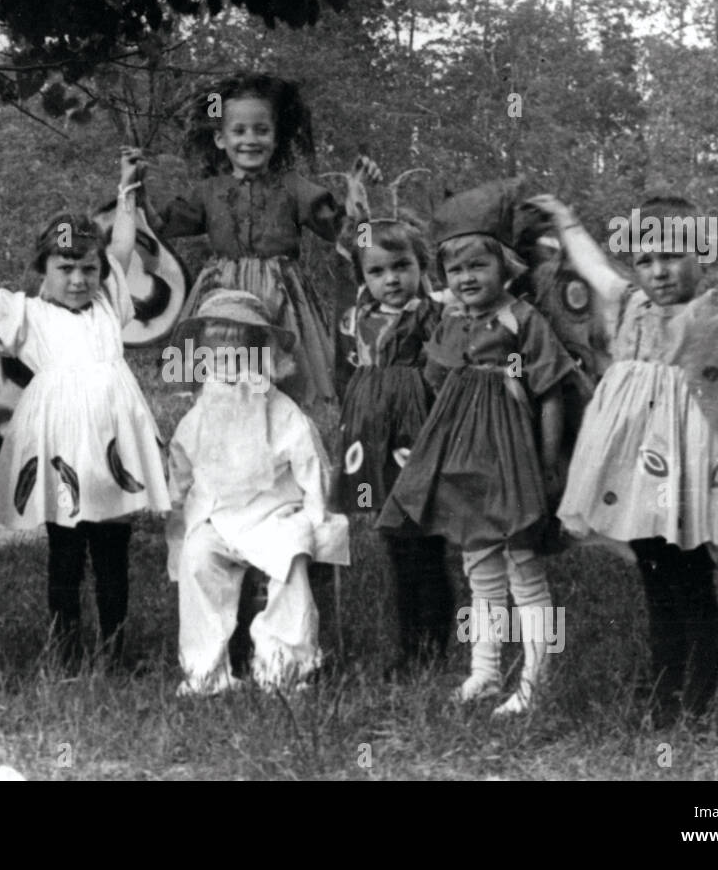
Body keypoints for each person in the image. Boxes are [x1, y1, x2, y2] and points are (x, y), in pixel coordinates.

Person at [533, 192, 718, 726]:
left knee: (690, 579)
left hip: (689, 472)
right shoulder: (627, 303)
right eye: (645, 259)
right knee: (654, 578)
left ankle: (696, 702)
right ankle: (665, 688)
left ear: (701, 256)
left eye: (672, 255)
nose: (659, 271)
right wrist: (564, 219)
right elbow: (594, 265)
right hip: (633, 469)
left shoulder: (716, 311)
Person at [0, 149, 170, 671]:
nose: (78, 279)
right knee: (66, 552)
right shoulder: (27, 315)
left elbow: (124, 246)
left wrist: (126, 189)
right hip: (62, 446)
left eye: (88, 269)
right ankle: (65, 652)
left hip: (112, 446)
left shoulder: (110, 306)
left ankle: (115, 650)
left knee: (113, 552)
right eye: (65, 268)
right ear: (42, 268)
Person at [379, 181, 575, 715]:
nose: (466, 279)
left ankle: (538, 680)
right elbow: (439, 379)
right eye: (455, 270)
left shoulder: (522, 320)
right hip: (463, 461)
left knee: (523, 567)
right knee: (479, 570)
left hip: (512, 462)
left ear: (505, 266)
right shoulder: (449, 323)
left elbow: (551, 390)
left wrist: (548, 461)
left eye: (477, 267)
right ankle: (484, 672)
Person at [141, 71, 380, 407]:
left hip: (279, 292)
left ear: (276, 137)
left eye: (261, 130)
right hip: (221, 289)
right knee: (218, 368)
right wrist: (135, 191)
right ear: (220, 139)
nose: (250, 139)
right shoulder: (208, 191)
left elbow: (347, 234)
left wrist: (357, 201)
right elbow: (161, 225)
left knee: (279, 376)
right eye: (238, 131)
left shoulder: (294, 187)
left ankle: (279, 411)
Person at [165, 289, 350, 695]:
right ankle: (205, 671)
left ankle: (282, 664)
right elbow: (180, 470)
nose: (228, 366)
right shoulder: (199, 415)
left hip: (273, 514)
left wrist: (317, 517)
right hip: (217, 515)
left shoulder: (281, 411)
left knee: (290, 558)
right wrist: (178, 516)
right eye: (216, 356)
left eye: (238, 355)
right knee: (198, 559)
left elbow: (310, 463)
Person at [334, 212, 453, 679]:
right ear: (363, 278)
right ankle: (411, 647)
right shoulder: (357, 319)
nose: (391, 279)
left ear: (422, 265)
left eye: (401, 266)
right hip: (375, 439)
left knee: (423, 543)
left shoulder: (435, 314)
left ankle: (430, 648)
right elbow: (348, 376)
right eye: (377, 271)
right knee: (397, 545)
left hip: (418, 435)